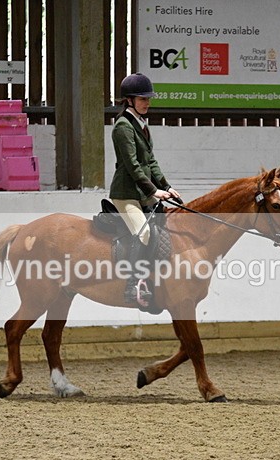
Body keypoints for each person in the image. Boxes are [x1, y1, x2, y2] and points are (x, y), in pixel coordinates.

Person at [109, 73, 180, 307]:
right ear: (129, 100)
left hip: (142, 193)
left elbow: (150, 162)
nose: (147, 103)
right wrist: (153, 191)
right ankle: (131, 285)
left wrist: (167, 186)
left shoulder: (142, 125)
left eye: (148, 99)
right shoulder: (122, 127)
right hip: (126, 194)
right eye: (142, 99)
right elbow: (133, 165)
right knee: (144, 232)